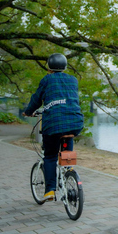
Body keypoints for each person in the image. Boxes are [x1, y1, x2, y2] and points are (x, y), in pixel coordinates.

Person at [23, 53, 84, 202]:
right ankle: (68, 168)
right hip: (75, 122)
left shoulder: (47, 79)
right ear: (65, 66)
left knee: (50, 156)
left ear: (49, 67)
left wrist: (28, 111)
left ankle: (50, 190)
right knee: (66, 145)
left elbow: (37, 99)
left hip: (54, 123)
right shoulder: (73, 79)